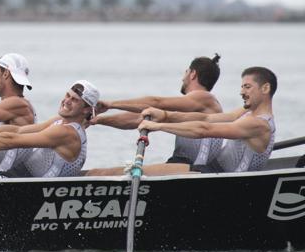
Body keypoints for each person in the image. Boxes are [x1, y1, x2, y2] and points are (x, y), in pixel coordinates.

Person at [92, 67, 277, 176]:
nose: (241, 92)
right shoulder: (245, 113)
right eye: (241, 86)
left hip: (211, 177)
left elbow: (205, 129)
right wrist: (164, 116)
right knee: (114, 172)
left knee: (117, 173)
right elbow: (205, 118)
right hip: (206, 170)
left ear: (265, 88)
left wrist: (159, 125)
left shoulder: (259, 125)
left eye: (247, 87)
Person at [0, 80, 99, 179]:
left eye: (75, 100)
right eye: (67, 95)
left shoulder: (67, 133)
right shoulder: (59, 122)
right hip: (17, 178)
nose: (67, 101)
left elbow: (13, 140)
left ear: (86, 109)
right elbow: (18, 131)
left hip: (28, 190)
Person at [89, 54, 223, 167]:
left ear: (193, 74)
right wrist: (97, 120)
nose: (182, 78)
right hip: (182, 164)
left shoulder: (206, 98)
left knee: (105, 173)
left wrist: (111, 104)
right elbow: (136, 119)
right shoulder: (192, 110)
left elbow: (157, 102)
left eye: (186, 72)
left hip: (195, 168)